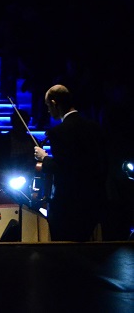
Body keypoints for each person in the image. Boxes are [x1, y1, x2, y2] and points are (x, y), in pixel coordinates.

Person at [34, 85, 107, 241]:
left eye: (48, 106)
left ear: (54, 103)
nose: (48, 110)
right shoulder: (93, 127)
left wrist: (44, 158)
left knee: (64, 254)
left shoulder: (59, 132)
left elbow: (63, 168)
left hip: (66, 206)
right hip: (91, 202)